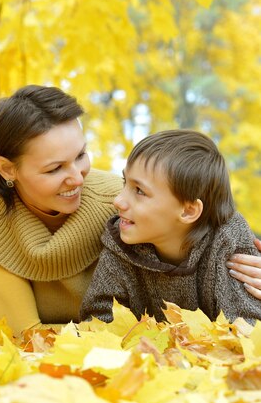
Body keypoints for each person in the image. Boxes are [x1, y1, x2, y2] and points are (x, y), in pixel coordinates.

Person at [0, 84, 261, 335]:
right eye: (55, 168)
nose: (77, 177)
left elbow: (208, 227)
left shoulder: (127, 204)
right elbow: (24, 334)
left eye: (81, 155)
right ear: (7, 169)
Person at [80, 130, 261, 323]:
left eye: (139, 191)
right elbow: (97, 326)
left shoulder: (229, 242)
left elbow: (246, 332)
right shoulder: (121, 245)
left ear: (188, 211)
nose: (118, 201)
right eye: (125, 182)